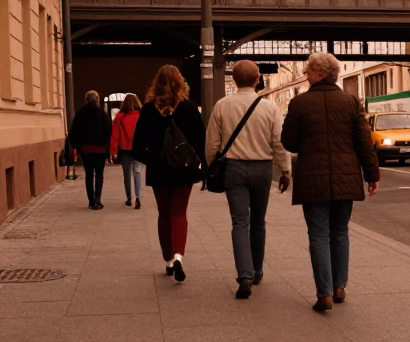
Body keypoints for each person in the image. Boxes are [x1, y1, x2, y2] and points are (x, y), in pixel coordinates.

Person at [281, 52, 379, 312]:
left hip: (313, 179)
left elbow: (289, 142)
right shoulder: (350, 102)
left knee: (318, 235)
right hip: (345, 178)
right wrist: (372, 175)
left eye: (308, 72)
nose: (306, 75)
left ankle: (323, 294)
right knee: (339, 232)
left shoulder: (299, 104)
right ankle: (339, 288)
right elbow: (364, 143)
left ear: (320, 73)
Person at [205, 59, 292, 300]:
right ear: (257, 81)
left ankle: (244, 275)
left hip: (233, 168)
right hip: (262, 169)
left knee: (239, 222)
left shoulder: (222, 105)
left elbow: (212, 143)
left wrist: (212, 166)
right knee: (258, 222)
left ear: (233, 80)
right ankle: (257, 270)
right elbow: (279, 143)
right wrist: (285, 171)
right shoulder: (269, 108)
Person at [132, 66, 205, 282]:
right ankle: (178, 256)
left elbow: (137, 146)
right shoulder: (190, 109)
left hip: (158, 169)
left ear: (156, 83)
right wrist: (201, 168)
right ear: (181, 83)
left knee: (164, 214)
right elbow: (201, 141)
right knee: (179, 213)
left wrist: (152, 159)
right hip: (183, 169)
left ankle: (168, 260)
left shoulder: (147, 110)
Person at [68, 90, 112, 209]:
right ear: (97, 100)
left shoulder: (80, 114)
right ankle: (98, 200)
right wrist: (108, 147)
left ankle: (91, 201)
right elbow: (109, 132)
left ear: (86, 99)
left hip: (85, 150)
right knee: (99, 175)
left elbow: (74, 132)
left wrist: (75, 146)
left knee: (89, 175)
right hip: (100, 150)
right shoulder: (102, 114)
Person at [110, 94, 144, 207]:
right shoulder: (142, 116)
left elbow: (115, 136)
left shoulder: (119, 117)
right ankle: (138, 197)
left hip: (124, 150)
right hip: (138, 149)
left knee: (127, 175)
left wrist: (113, 152)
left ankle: (130, 198)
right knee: (138, 172)